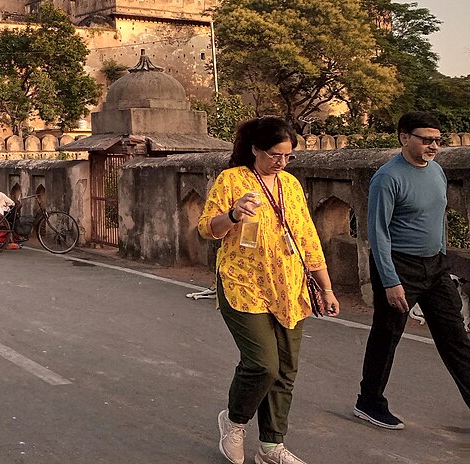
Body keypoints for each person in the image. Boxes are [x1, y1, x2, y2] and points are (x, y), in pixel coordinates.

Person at [197, 117, 340, 464]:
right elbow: (207, 229)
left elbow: (307, 237)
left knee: (287, 369)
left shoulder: (290, 185)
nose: (282, 162)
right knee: (262, 364)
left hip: (289, 286)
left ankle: (271, 446)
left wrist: (327, 286)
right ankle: (233, 421)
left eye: (288, 156)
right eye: (276, 155)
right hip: (243, 283)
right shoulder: (231, 180)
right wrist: (232, 214)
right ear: (256, 150)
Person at [355, 111, 470, 429]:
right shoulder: (388, 177)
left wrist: (443, 258)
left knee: (455, 337)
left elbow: (439, 217)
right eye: (426, 139)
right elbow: (377, 232)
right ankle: (369, 402)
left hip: (435, 267)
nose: (434, 146)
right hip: (399, 266)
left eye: (438, 140)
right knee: (387, 335)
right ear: (405, 138)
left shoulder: (436, 171)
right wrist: (391, 281)